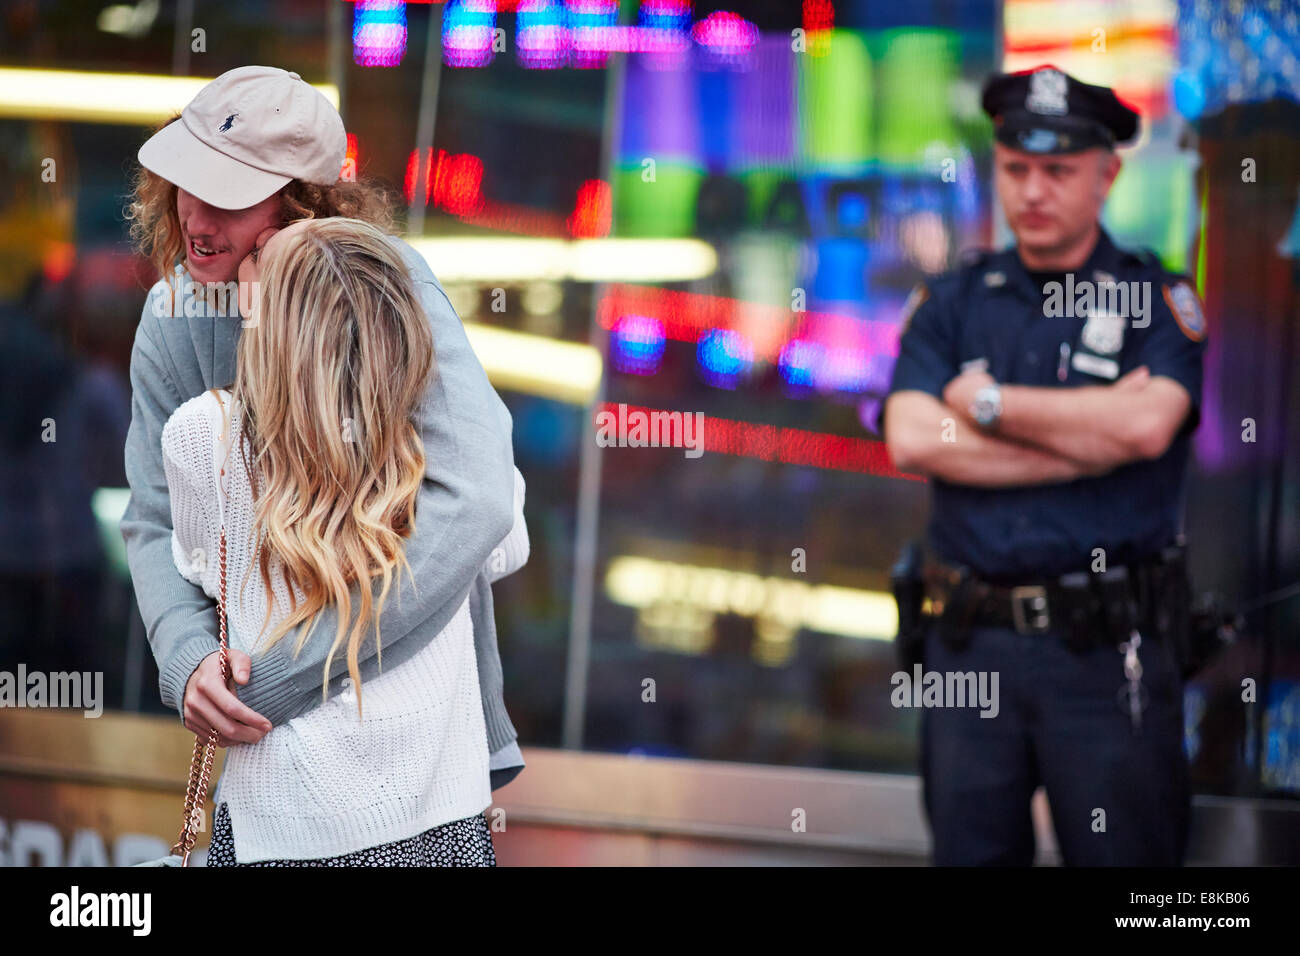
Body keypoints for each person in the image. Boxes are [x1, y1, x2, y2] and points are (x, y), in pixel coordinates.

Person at [120, 65, 526, 792]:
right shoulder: (171, 319)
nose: (197, 218)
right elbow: (153, 519)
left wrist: (290, 673)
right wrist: (184, 657)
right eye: (188, 183)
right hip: (265, 741)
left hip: (413, 739)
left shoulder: (387, 286)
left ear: (305, 206)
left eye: (229, 196)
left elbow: (481, 496)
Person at [881, 65, 1208, 865]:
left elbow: (1145, 427)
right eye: (1016, 168)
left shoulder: (1153, 299)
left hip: (1105, 654)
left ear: (1108, 173)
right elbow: (914, 439)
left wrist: (990, 408)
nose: (1032, 190)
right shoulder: (954, 299)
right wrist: (1086, 444)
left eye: (1058, 171)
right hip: (970, 649)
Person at [162, 217, 528, 865]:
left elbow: (197, 567)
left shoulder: (203, 436)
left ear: (273, 326)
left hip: (283, 821)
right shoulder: (436, 456)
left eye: (259, 264)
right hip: (443, 824)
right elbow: (502, 550)